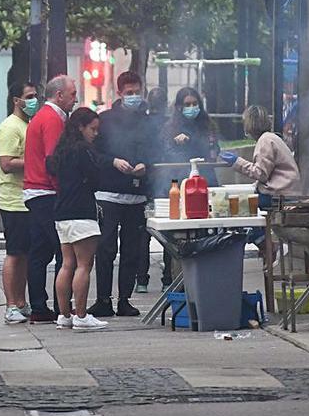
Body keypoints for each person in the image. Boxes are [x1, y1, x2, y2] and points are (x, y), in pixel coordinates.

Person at [51, 107, 133, 332]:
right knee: (84, 265)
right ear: (81, 127)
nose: (96, 134)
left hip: (62, 211)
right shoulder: (83, 151)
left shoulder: (62, 150)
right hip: (82, 211)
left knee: (67, 264)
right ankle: (81, 315)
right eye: (93, 129)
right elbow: (95, 177)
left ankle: (64, 315)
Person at [89, 71, 152, 319]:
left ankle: (124, 299)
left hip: (136, 196)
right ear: (119, 93)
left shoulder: (148, 122)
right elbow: (93, 153)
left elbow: (156, 151)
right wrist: (113, 161)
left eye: (137, 92)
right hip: (107, 195)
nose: (133, 97)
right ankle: (103, 299)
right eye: (129, 93)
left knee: (132, 250)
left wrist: (146, 165)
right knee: (105, 248)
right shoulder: (104, 120)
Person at [24, 75, 78, 323]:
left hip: (34, 191)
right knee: (63, 251)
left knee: (39, 251)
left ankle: (38, 305)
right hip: (47, 192)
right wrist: (64, 190)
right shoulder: (53, 119)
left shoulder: (40, 117)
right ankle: (62, 306)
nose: (75, 99)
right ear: (59, 96)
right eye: (73, 94)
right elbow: (54, 160)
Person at [157, 87, 220, 287]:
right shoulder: (170, 128)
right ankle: (171, 276)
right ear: (179, 107)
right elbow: (167, 154)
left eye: (195, 104)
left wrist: (193, 143)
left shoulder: (207, 126)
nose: (192, 108)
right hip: (179, 184)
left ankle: (205, 273)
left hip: (205, 182)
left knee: (205, 230)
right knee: (177, 233)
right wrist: (177, 144)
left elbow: (212, 151)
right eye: (187, 104)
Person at [222, 104, 300, 257]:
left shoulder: (265, 141)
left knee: (240, 208)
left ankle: (266, 244)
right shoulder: (272, 138)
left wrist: (237, 162)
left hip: (280, 196)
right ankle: (265, 243)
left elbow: (261, 173)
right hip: (285, 191)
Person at [0, 81, 39, 324]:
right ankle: (11, 304)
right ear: (16, 100)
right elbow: (6, 163)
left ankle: (21, 302)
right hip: (14, 201)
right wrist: (35, 159)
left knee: (24, 254)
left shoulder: (27, 125)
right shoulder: (11, 127)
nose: (33, 100)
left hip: (26, 199)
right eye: (28, 96)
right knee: (14, 253)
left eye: (35, 96)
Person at [137, 86, 170, 292]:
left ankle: (141, 279)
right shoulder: (170, 124)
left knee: (144, 234)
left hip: (145, 183)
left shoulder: (142, 123)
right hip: (166, 183)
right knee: (168, 233)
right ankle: (167, 278)